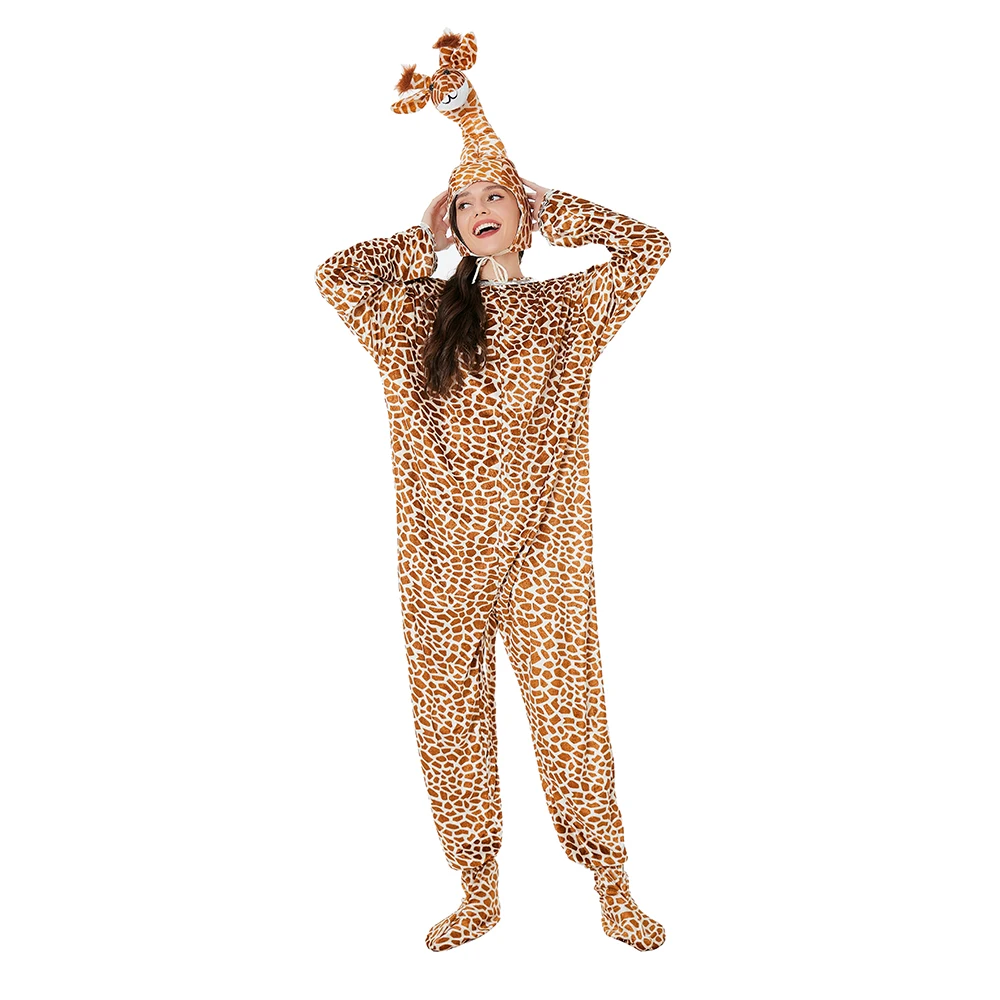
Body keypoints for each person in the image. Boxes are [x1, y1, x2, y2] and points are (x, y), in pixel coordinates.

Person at [314, 31, 671, 953]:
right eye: (462, 201)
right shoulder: (413, 319)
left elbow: (649, 247)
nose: (478, 208)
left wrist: (563, 208)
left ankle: (611, 882)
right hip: (442, 562)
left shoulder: (568, 312)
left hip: (545, 556)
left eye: (495, 198)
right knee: (450, 720)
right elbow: (332, 276)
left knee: (571, 715)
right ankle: (478, 886)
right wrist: (421, 240)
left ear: (523, 215)